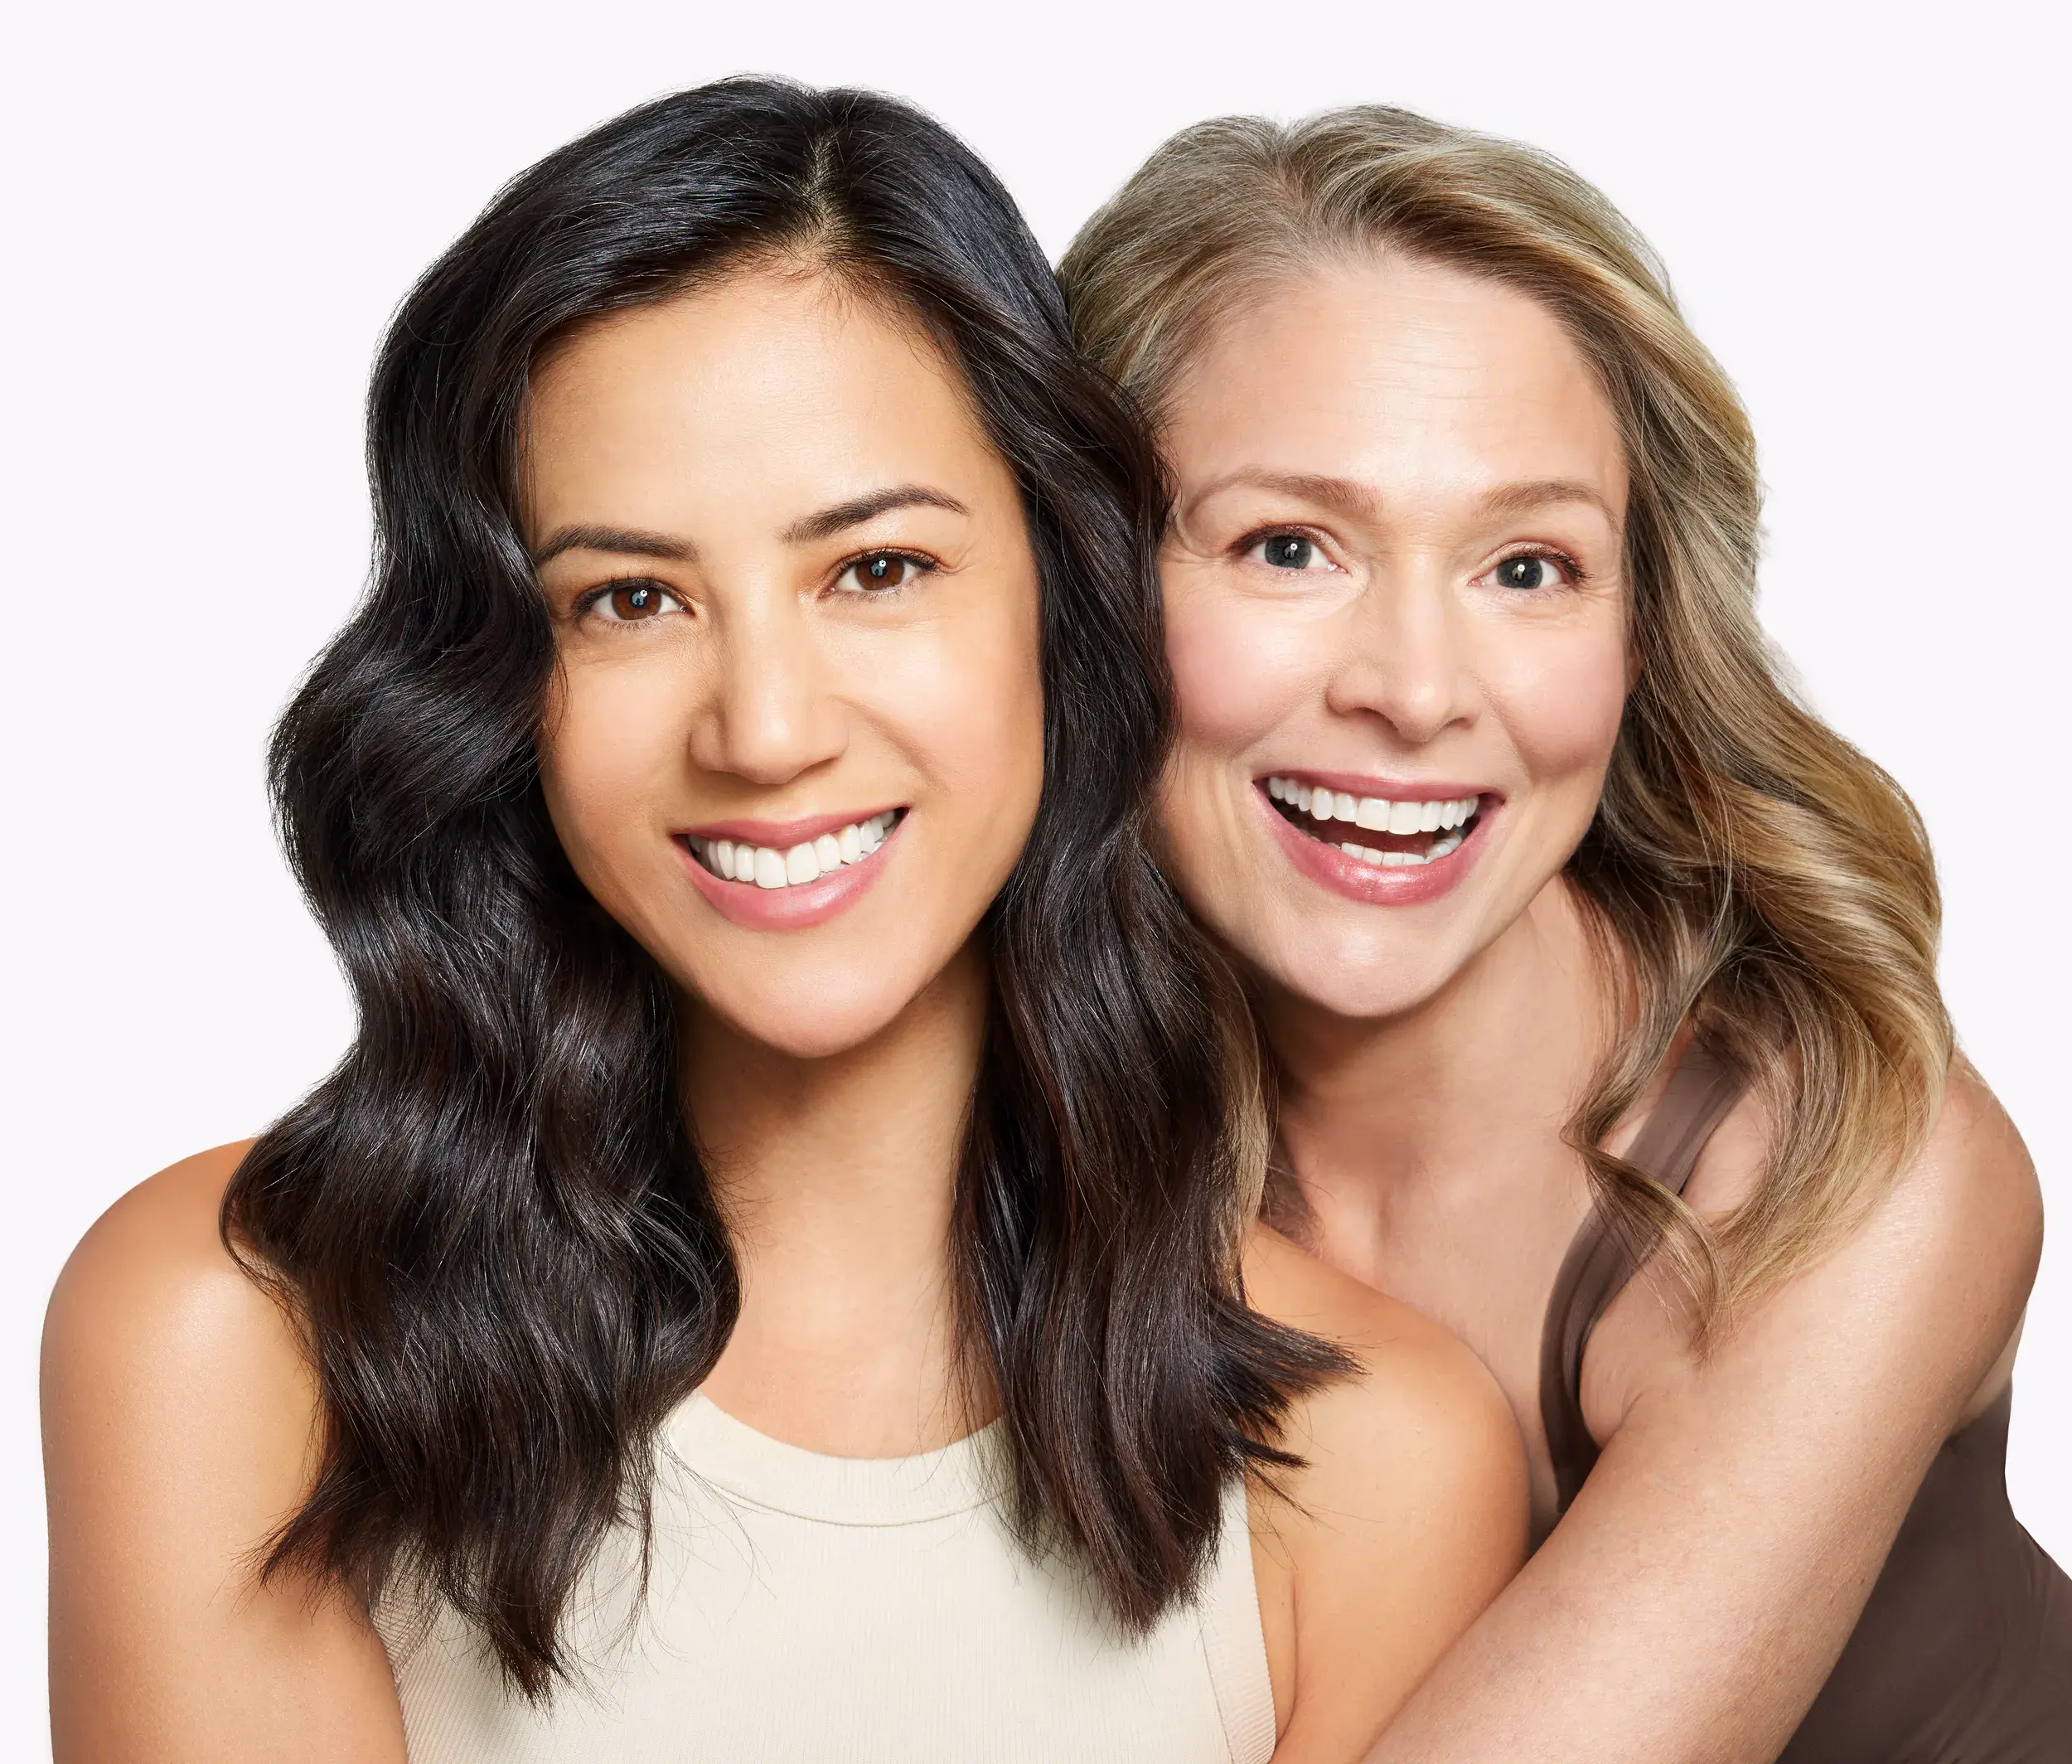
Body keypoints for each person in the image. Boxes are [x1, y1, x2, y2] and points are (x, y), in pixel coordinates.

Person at [41, 82, 1526, 1764]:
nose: (761, 727)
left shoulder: (1372, 1454)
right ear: (501, 687)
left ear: (1061, 594)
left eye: (876, 568)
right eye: (626, 598)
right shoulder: (233, 1337)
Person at [1060, 106, 2071, 1761]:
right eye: (1286, 545)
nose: (1413, 684)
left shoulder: (1841, 1173)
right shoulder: (1031, 1103)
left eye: (1525, 566)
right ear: (1079, 583)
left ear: (1637, 632)